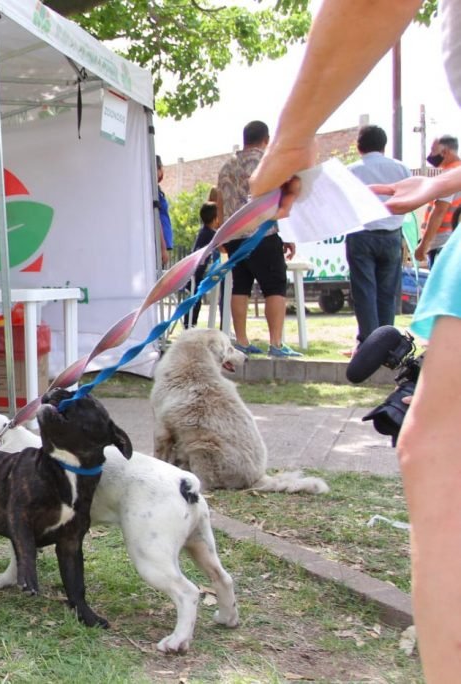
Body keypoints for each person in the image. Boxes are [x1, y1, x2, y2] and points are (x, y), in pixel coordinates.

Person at [247, 0, 458, 678]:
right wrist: (440, 183)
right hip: (397, 222)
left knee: (440, 457)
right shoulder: (403, 172)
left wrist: (294, 138)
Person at [215, 120, 302, 359]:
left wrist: (222, 233)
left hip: (234, 235)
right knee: (274, 287)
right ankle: (276, 343)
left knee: (240, 287)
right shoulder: (268, 164)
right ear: (266, 140)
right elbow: (280, 200)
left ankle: (241, 340)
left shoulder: (226, 167)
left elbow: (220, 202)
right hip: (262, 234)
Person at [345, 125, 411, 350]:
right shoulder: (401, 168)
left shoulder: (351, 170)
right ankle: (387, 344)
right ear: (384, 145)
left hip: (362, 233)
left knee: (364, 291)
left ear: (359, 146)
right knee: (387, 292)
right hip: (392, 234)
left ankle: (368, 343)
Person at [416, 135, 461, 268]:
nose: (430, 155)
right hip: (454, 240)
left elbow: (439, 211)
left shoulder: (449, 176)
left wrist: (423, 246)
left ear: (445, 152)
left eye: (433, 150)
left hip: (442, 243)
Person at [184, 201, 222, 329]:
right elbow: (221, 247)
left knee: (195, 300)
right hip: (196, 272)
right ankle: (189, 325)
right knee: (195, 301)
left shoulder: (204, 232)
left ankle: (189, 325)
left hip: (195, 272)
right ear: (216, 218)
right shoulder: (211, 234)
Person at [156, 155, 174, 269]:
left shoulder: (157, 190)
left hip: (162, 243)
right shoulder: (153, 192)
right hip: (158, 245)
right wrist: (162, 248)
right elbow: (156, 219)